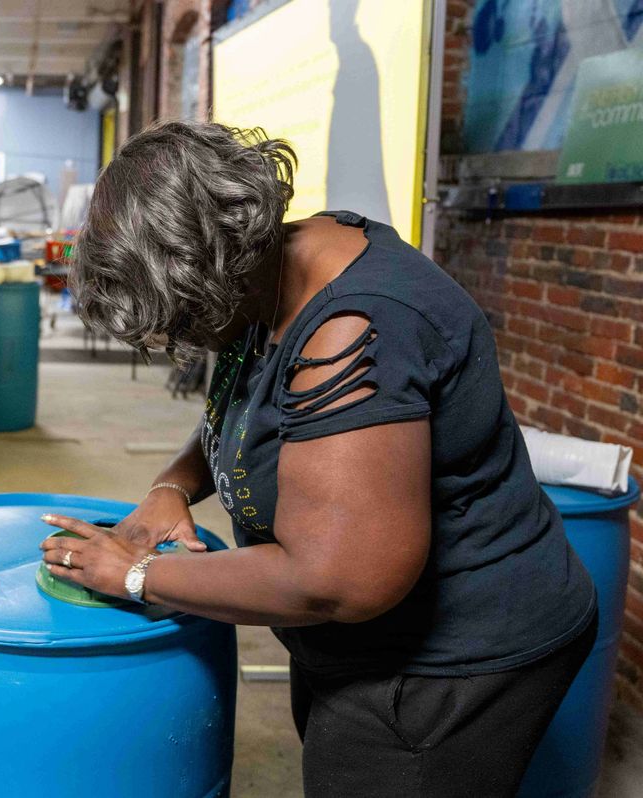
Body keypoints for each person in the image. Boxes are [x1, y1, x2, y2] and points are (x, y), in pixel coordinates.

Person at [39, 121, 596, 798]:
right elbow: (257, 406)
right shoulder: (279, 267)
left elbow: (336, 581)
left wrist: (139, 576)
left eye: (184, 321)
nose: (187, 339)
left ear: (211, 264)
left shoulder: (355, 330)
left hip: (447, 669)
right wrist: (174, 487)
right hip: (352, 648)